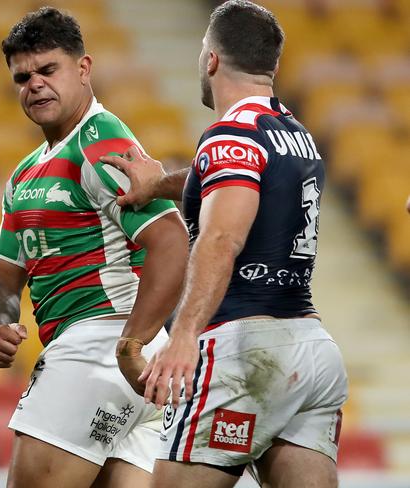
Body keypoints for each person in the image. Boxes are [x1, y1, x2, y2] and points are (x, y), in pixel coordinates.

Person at [102, 1, 348, 487]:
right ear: (272, 67)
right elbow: (225, 180)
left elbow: (221, 236)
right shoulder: (297, 136)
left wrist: (184, 336)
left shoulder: (228, 134)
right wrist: (158, 185)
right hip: (310, 352)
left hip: (239, 349)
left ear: (211, 59)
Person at [0, 7, 189, 488]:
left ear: (83, 68)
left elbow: (172, 244)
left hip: (98, 345)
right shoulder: (27, 172)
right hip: (135, 372)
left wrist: (129, 342)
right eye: (22, 76)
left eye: (48, 70)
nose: (34, 84)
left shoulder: (99, 139)